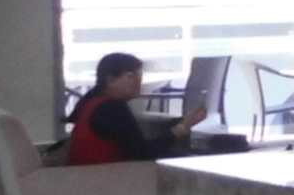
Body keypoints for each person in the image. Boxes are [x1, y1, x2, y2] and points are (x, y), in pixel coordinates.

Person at [65, 52, 205, 165]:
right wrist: (181, 128)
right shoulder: (111, 108)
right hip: (104, 180)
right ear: (110, 80)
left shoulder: (92, 102)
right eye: (131, 76)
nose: (138, 81)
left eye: (139, 76)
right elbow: (143, 153)